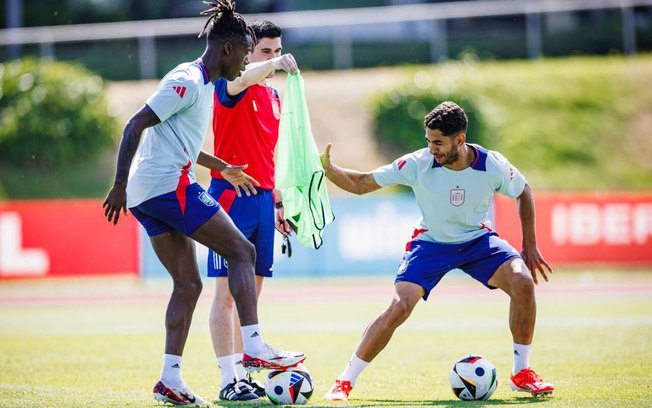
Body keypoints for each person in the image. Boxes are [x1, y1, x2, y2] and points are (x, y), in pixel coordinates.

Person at [101, 2, 304, 405]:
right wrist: (118, 184)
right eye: (245, 53)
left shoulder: (202, 85)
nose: (245, 62)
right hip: (165, 186)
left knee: (188, 284)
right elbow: (135, 123)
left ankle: (169, 380)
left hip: (152, 191)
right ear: (227, 49)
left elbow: (181, 142)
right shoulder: (188, 80)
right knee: (241, 252)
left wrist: (222, 165)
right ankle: (255, 345)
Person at [320, 101, 554, 401]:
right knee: (400, 306)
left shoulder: (491, 164)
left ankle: (522, 372)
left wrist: (529, 245)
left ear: (460, 139)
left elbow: (524, 191)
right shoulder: (417, 164)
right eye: (429, 142)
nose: (432, 149)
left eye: (439, 143)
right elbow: (361, 184)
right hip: (430, 243)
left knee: (522, 281)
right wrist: (328, 168)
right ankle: (344, 381)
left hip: (477, 241)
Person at [205, 19, 297, 401]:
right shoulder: (230, 86)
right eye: (264, 52)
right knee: (225, 296)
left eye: (277, 51)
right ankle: (228, 380)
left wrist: (277, 203)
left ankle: (247, 370)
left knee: (250, 297)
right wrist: (274, 66)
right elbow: (244, 80)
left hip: (261, 200)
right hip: (229, 196)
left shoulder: (274, 97)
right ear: (247, 54)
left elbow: (267, 157)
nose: (272, 59)